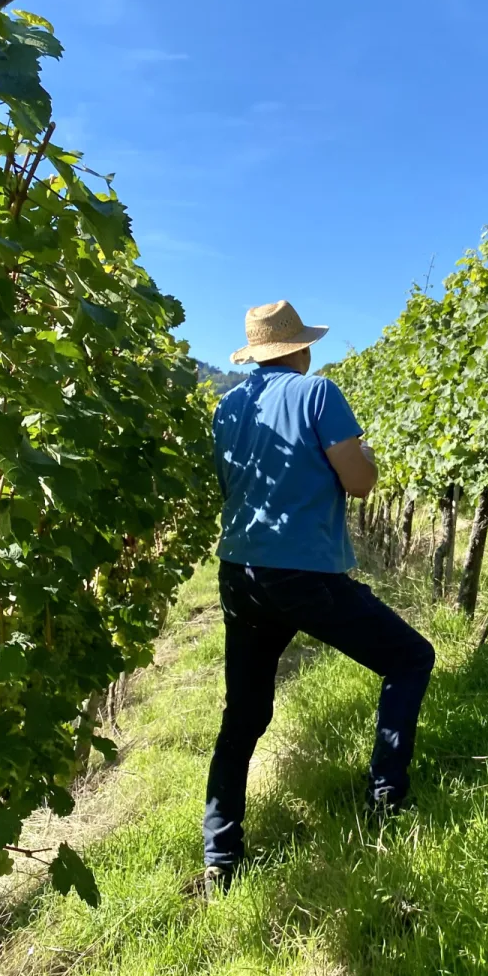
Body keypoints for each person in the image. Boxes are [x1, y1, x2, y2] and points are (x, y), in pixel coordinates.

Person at [203, 299, 434, 897]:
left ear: (257, 354)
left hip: (240, 572)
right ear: (299, 349)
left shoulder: (228, 406)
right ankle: (386, 799)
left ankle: (220, 856)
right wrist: (366, 458)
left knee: (244, 715)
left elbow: (231, 487)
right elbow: (359, 482)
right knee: (410, 658)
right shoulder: (318, 394)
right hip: (303, 573)